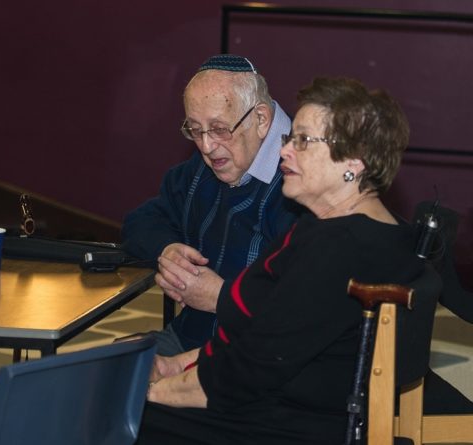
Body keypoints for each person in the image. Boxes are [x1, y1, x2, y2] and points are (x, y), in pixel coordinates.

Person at [137, 77, 423, 444]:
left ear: (353, 161)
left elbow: (253, 366)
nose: (284, 151)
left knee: (110, 413)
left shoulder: (340, 247)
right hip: (288, 403)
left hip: (291, 425)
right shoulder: (352, 229)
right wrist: (175, 364)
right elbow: (260, 336)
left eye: (302, 140)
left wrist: (154, 394)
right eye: (290, 139)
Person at [121, 54, 299, 355]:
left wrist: (220, 296)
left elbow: (302, 306)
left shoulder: (302, 183)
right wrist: (168, 250)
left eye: (219, 129)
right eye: (194, 130)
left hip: (258, 358)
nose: (206, 146)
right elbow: (140, 222)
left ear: (261, 120)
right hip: (191, 340)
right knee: (109, 374)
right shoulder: (202, 169)